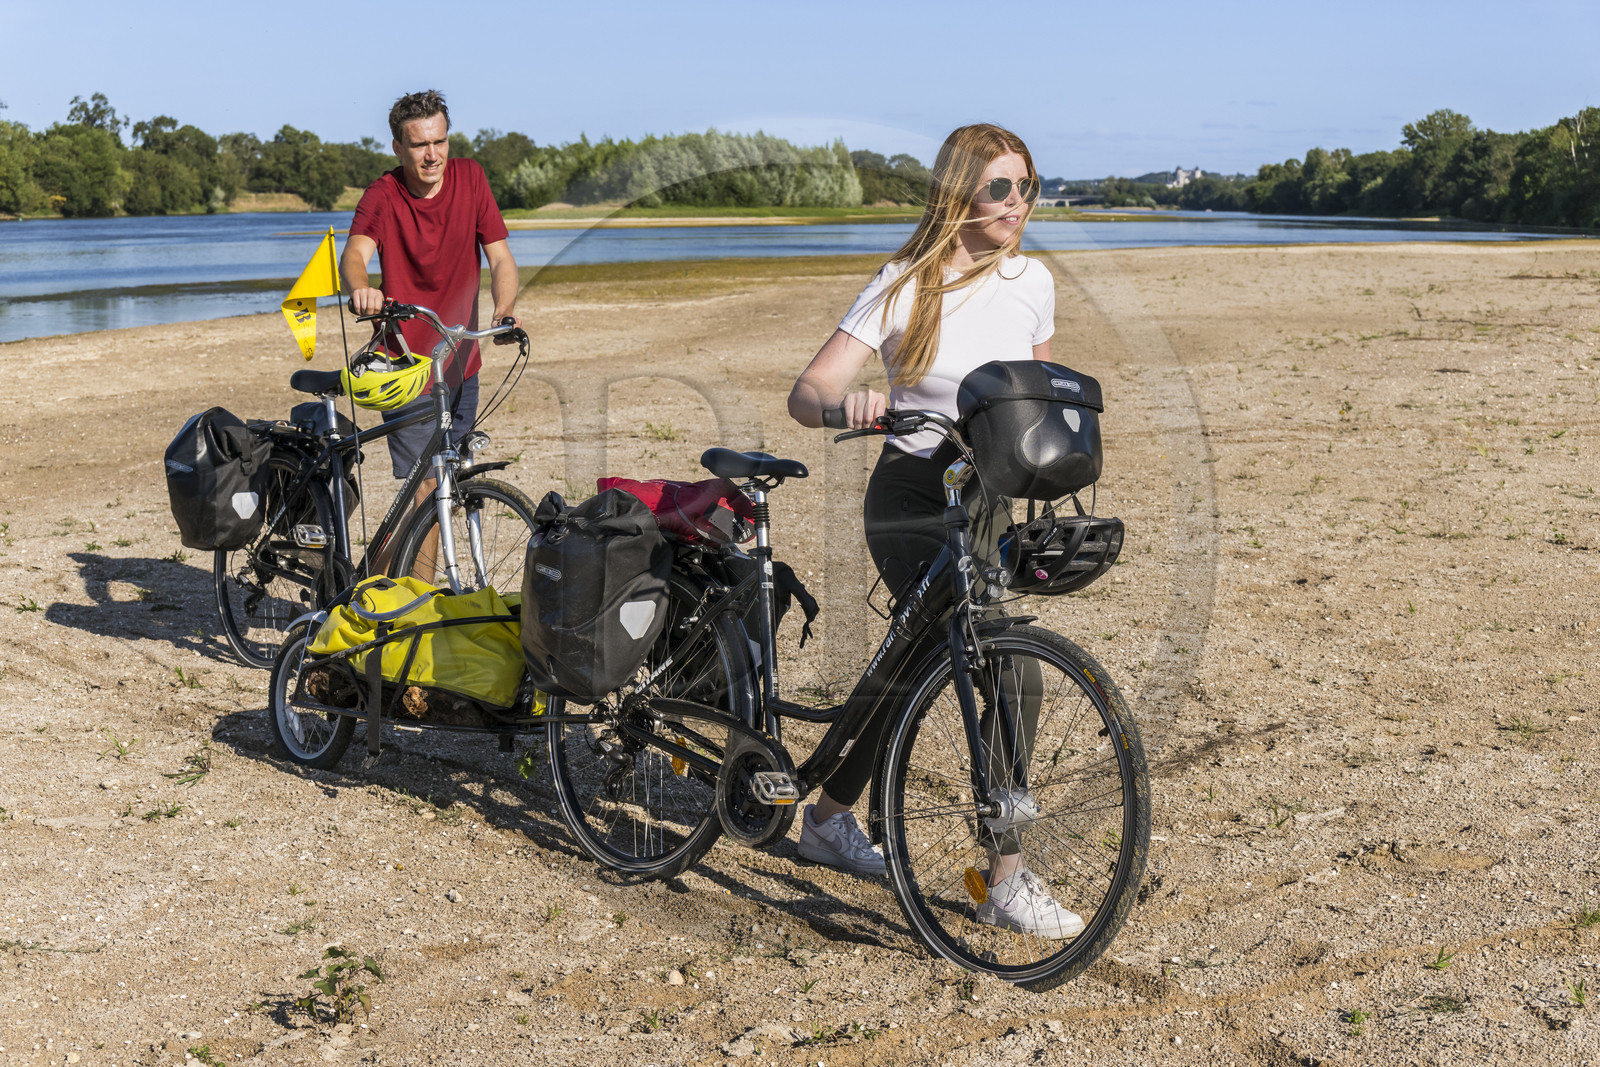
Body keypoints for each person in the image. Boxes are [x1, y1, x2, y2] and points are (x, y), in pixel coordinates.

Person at [786, 123, 1081, 938]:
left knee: (915, 662)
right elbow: (807, 392)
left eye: (1027, 186)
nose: (1018, 203)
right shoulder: (903, 283)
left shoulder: (1033, 281)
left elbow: (1038, 400)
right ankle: (1005, 878)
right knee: (1009, 670)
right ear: (958, 192)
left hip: (987, 503)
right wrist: (851, 404)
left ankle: (827, 818)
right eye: (1000, 187)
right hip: (914, 496)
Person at [339, 89, 521, 573]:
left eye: (439, 141)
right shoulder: (383, 194)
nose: (432, 155)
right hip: (406, 365)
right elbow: (354, 254)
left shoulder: (471, 178)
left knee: (447, 487)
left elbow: (501, 258)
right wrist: (362, 289)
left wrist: (504, 311)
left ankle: (370, 583)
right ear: (398, 147)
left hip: (462, 364)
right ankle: (415, 602)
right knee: (429, 490)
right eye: (419, 144)